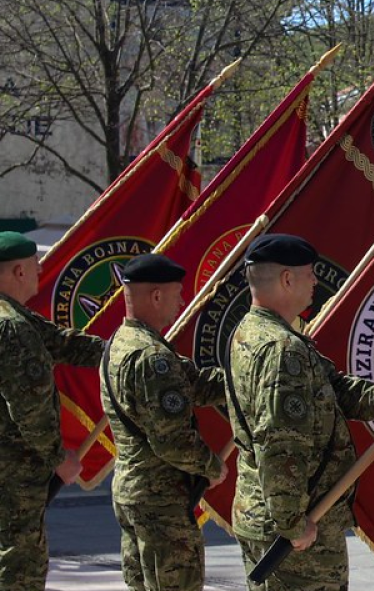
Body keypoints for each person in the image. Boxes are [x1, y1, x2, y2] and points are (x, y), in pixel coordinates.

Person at [224, 234, 374, 590]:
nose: (315, 281)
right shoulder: (282, 349)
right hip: (296, 531)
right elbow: (280, 445)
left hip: (267, 514)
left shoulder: (251, 331)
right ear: (287, 279)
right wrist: (293, 522)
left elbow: (330, 387)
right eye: (309, 273)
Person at [101, 253, 228, 591]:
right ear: (157, 296)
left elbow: (195, 385)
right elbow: (173, 440)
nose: (182, 301)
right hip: (161, 503)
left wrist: (244, 379)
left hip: (132, 493)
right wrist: (211, 467)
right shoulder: (152, 358)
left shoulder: (119, 343)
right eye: (177, 293)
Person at [0, 231, 105, 590]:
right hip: (13, 478)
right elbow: (30, 408)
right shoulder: (13, 328)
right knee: (18, 568)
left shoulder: (17, 321)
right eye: (34, 265)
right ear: (17, 271)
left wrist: (122, 348)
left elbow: (63, 343)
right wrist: (57, 457)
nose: (41, 271)